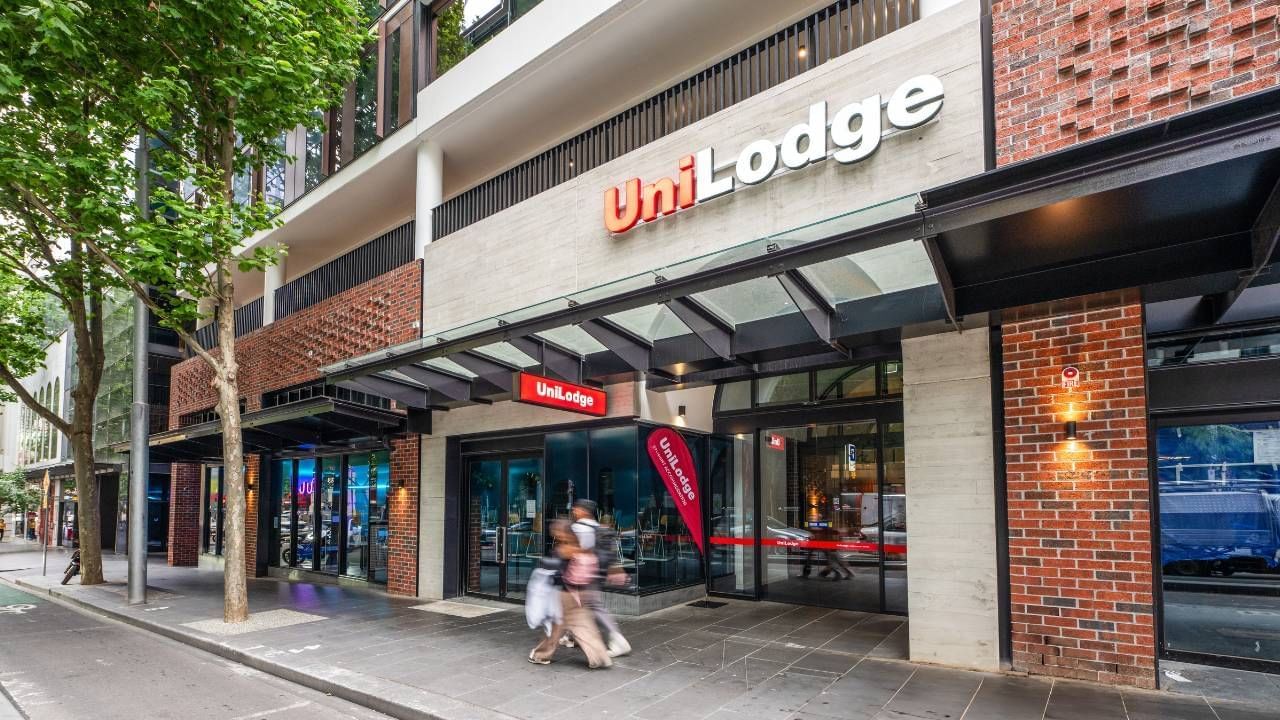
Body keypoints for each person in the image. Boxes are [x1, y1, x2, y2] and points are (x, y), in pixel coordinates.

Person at [528, 520, 611, 668]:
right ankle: (599, 656)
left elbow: (551, 567)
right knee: (583, 625)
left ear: (562, 533)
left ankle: (541, 654)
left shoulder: (563, 549)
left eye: (556, 531)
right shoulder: (582, 547)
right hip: (581, 591)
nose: (554, 534)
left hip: (564, 593)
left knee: (556, 626)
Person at [564, 498, 632, 657]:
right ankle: (570, 636)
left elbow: (577, 551)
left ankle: (618, 639)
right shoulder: (599, 527)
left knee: (593, 605)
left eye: (576, 509)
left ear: (583, 511)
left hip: (582, 573)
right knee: (581, 604)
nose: (574, 511)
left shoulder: (578, 528)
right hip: (597, 572)